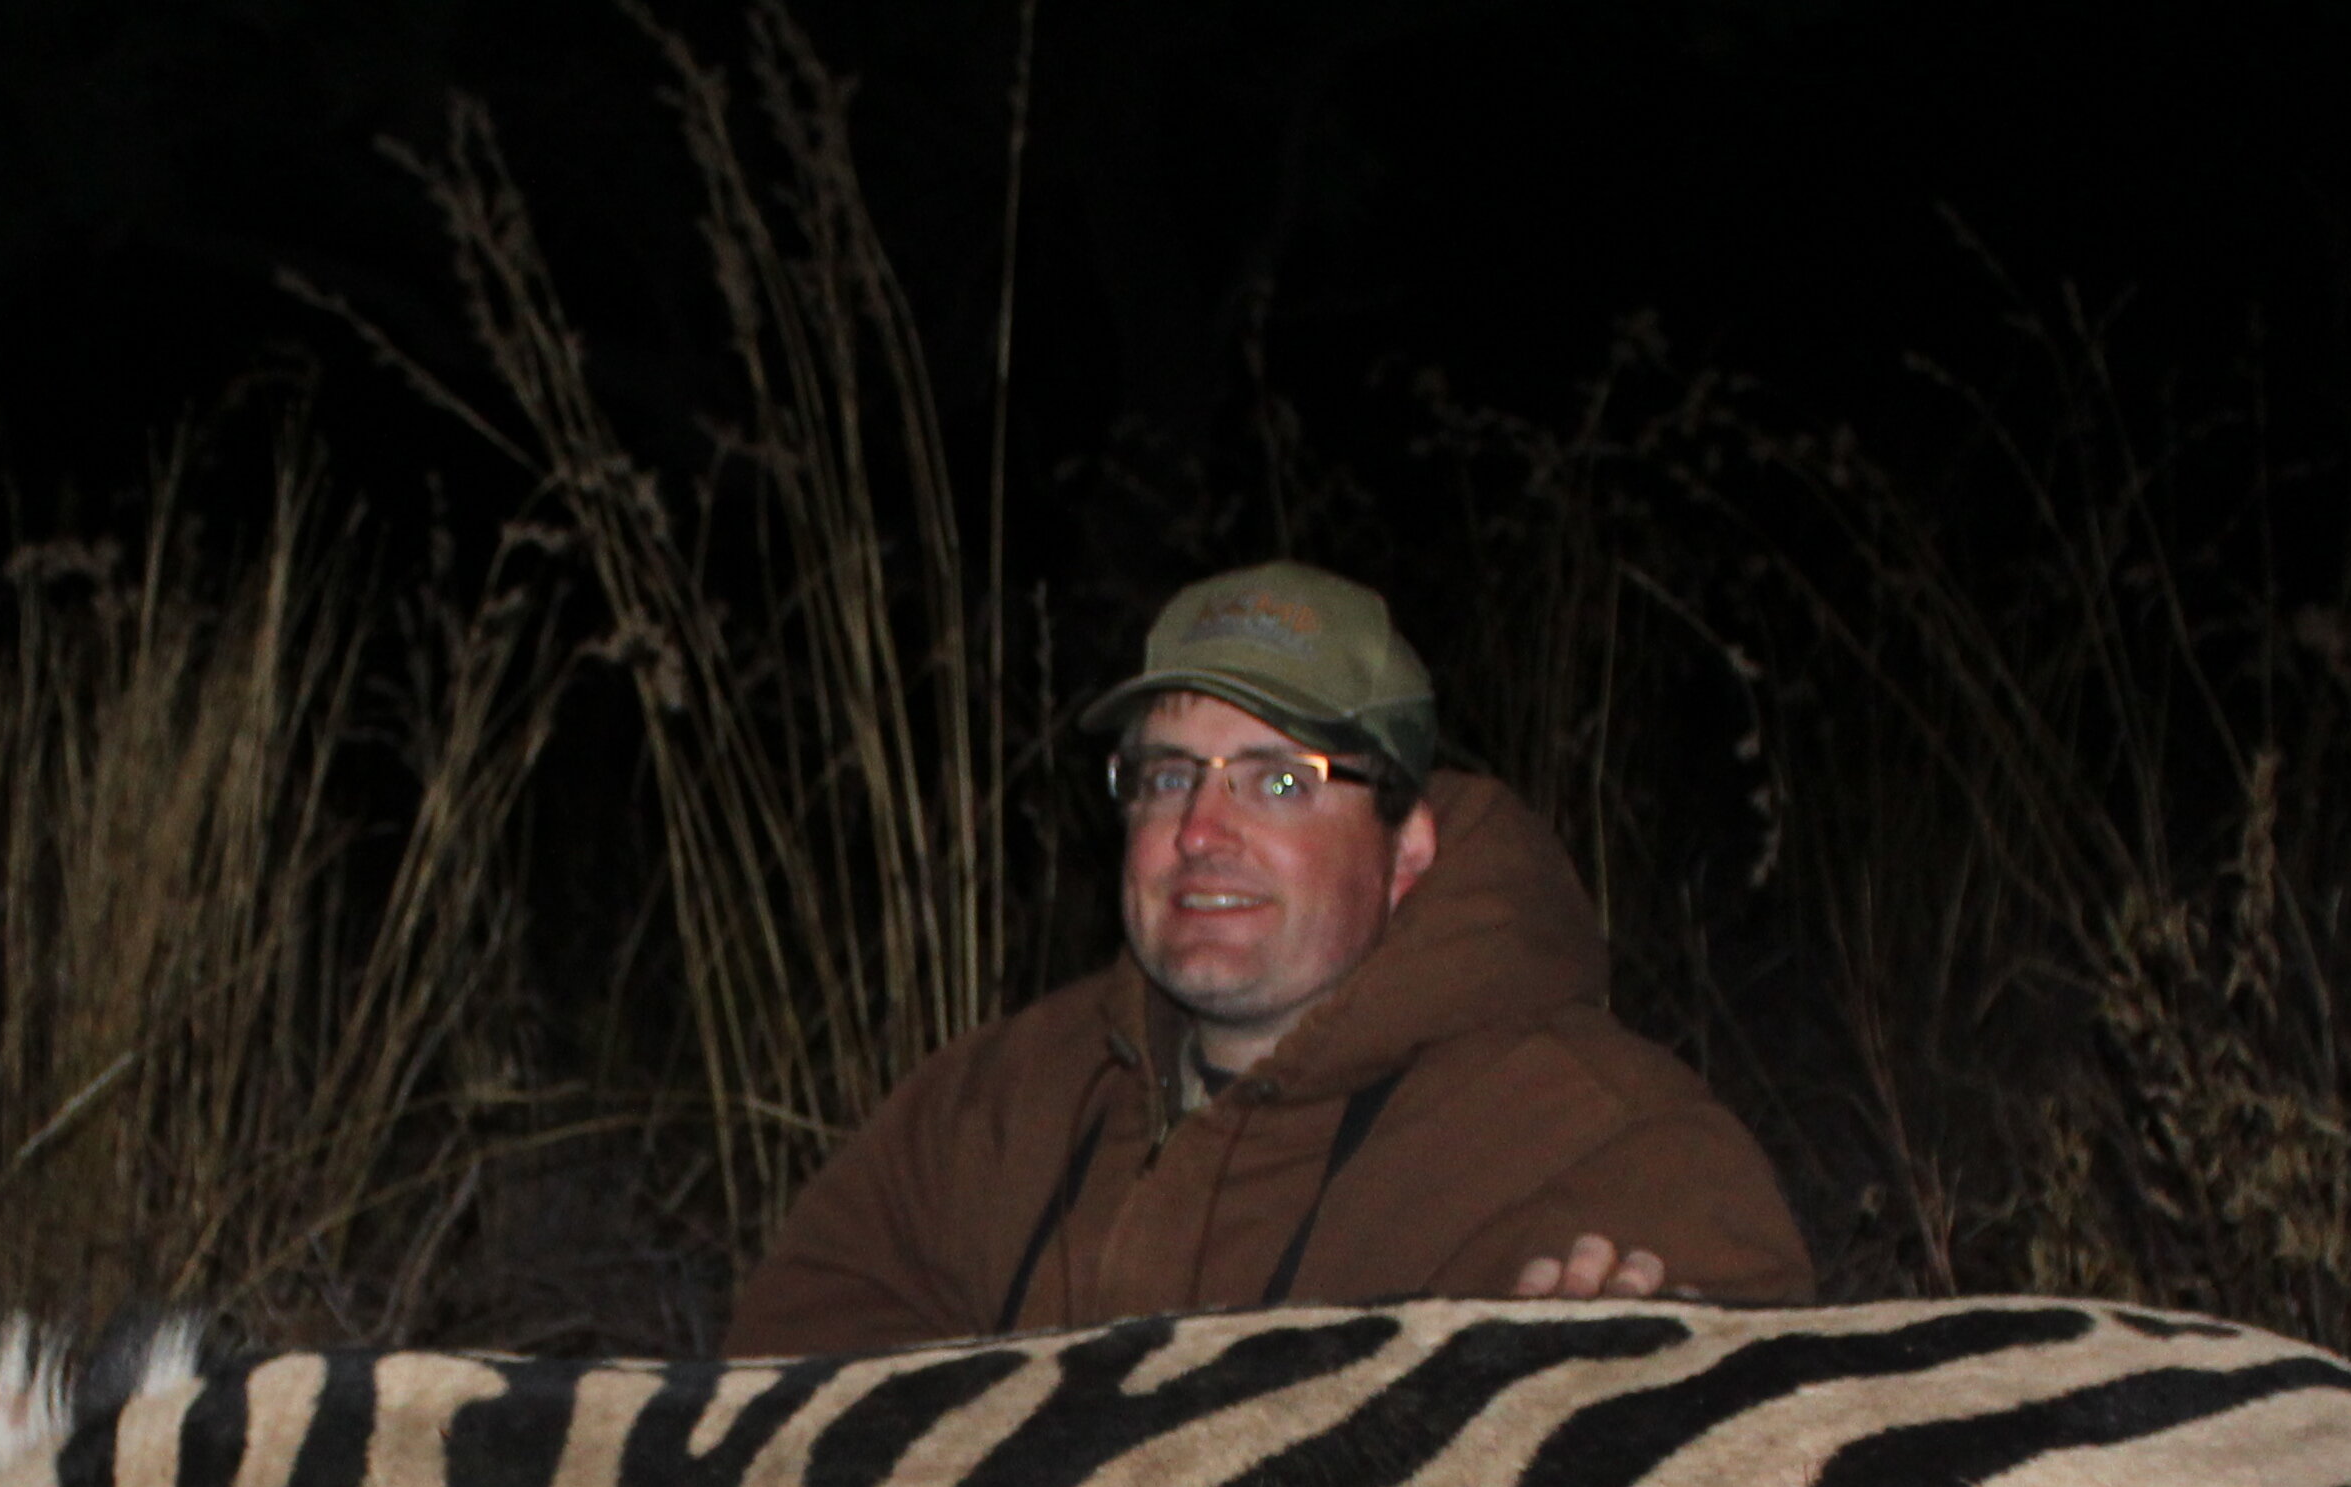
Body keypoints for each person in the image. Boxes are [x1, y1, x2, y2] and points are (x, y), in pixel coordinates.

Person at [723, 562, 1813, 1358]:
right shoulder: (998, 1100)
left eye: (1277, 781)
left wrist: (1603, 1392)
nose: (1199, 830)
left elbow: (1756, 1442)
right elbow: (791, 1350)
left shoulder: (1604, 1136)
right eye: (1164, 777)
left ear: (1408, 848)